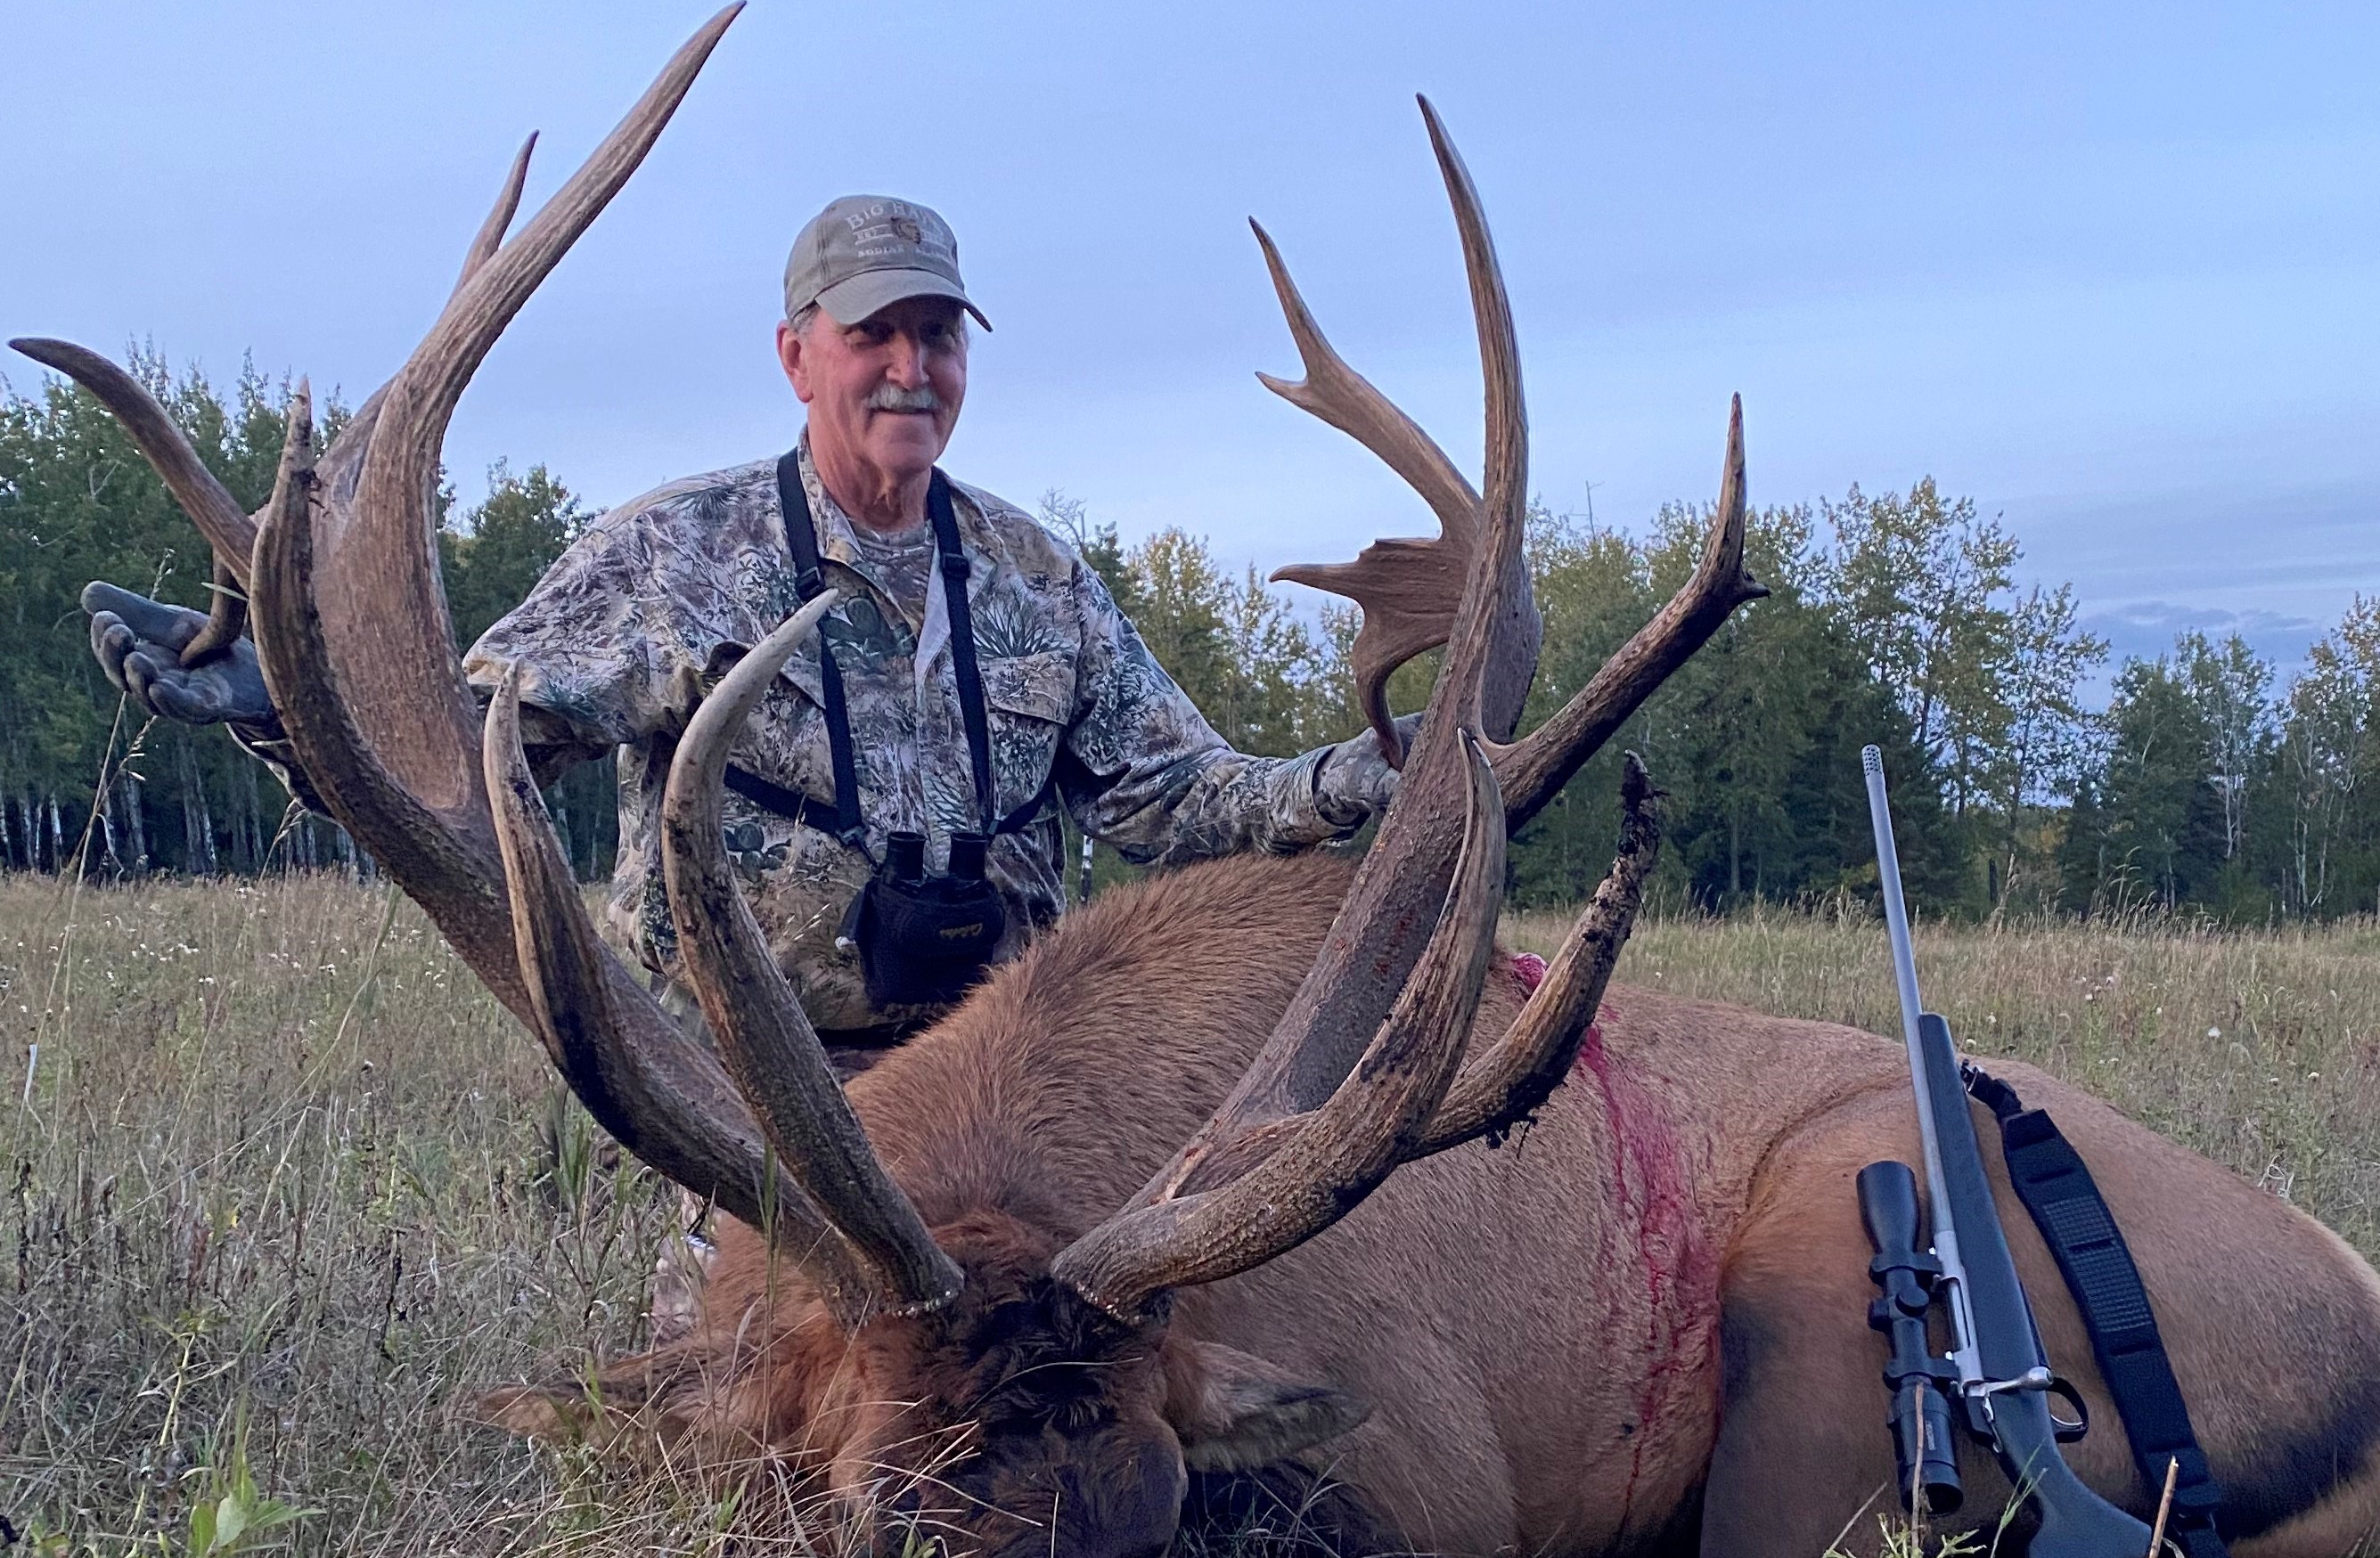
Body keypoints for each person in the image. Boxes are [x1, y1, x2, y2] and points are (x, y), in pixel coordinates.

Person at [85, 191, 1398, 1045]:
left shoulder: (1037, 577)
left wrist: (1358, 777)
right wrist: (286, 702)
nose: (911, 367)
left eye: (939, 336)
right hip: (752, 1101)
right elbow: (467, 756)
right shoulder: (671, 552)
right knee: (753, 1431)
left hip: (1013, 1077)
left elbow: (1175, 797)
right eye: (876, 332)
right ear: (797, 354)